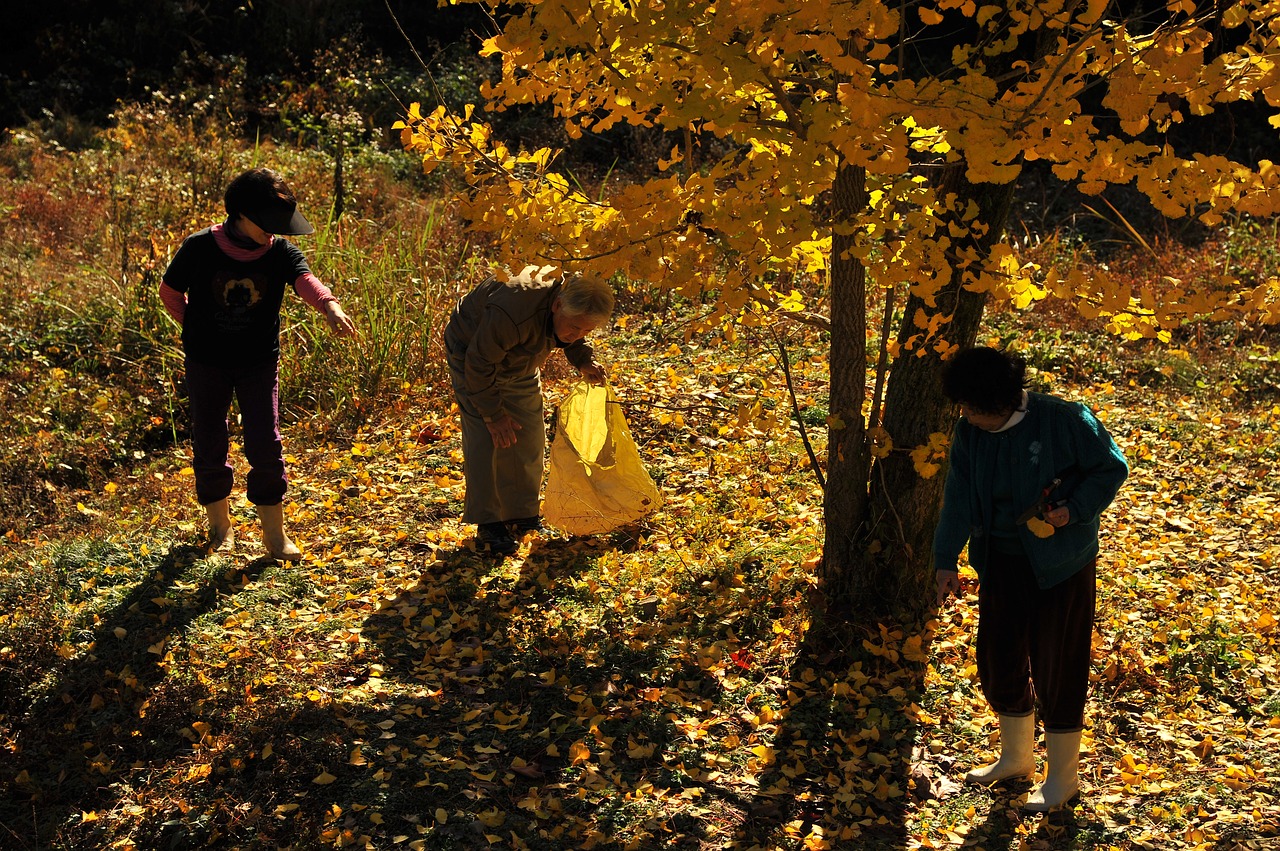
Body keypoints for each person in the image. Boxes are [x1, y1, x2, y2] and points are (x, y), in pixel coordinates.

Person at [933, 346, 1127, 812]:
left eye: (972, 408)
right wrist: (944, 559)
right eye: (962, 407)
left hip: (1061, 565)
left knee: (1057, 664)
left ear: (1001, 401)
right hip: (999, 562)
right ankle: (1015, 758)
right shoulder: (970, 431)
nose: (966, 416)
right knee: (999, 659)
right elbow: (957, 496)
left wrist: (1073, 510)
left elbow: (1111, 467)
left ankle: (1062, 778)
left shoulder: (1065, 419)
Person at [159, 167, 356, 560]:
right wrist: (198, 329)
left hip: (258, 364)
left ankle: (274, 537)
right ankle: (221, 529)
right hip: (206, 363)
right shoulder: (198, 247)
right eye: (267, 224)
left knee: (266, 444)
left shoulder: (280, 252)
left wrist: (330, 308)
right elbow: (170, 292)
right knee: (210, 440)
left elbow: (306, 280)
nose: (274, 232)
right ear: (241, 215)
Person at [444, 267, 613, 555]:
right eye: (575, 328)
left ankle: (522, 515)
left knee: (530, 435)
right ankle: (489, 523)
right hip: (472, 353)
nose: (578, 335)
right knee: (488, 438)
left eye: (587, 331)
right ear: (557, 305)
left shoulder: (571, 299)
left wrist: (581, 358)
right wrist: (494, 416)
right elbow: (479, 364)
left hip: (522, 357)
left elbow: (571, 332)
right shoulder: (512, 311)